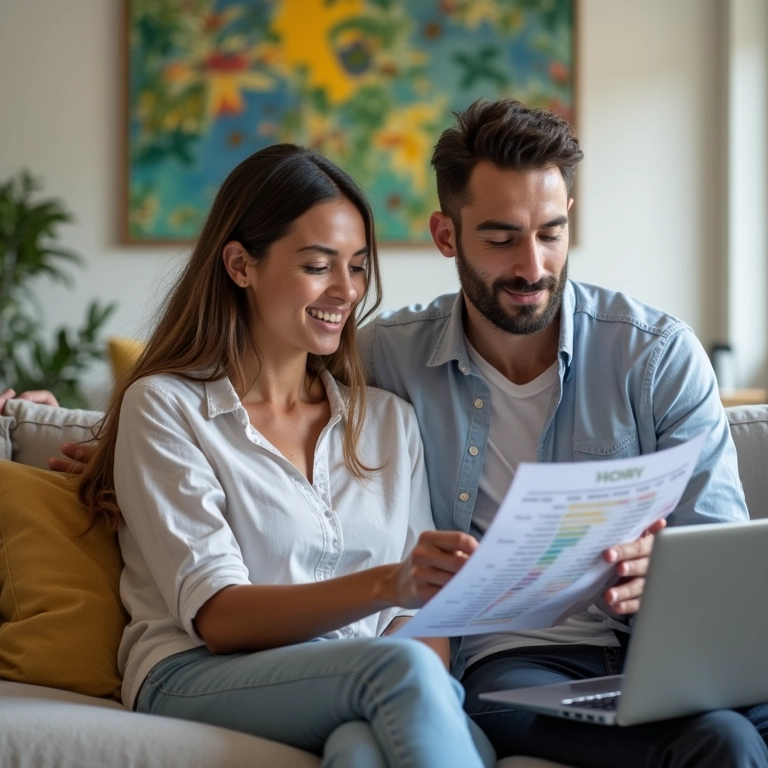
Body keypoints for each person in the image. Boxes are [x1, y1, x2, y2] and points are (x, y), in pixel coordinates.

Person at [358, 99, 768, 767]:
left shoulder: (654, 354)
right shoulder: (385, 359)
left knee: (732, 724)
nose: (531, 267)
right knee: (723, 743)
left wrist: (663, 574)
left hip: (662, 647)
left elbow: (719, 547)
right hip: (517, 662)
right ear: (444, 234)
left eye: (550, 233)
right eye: (500, 238)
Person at [76, 145, 496, 768]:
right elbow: (217, 615)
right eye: (318, 265)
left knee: (360, 751)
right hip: (194, 671)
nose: (346, 290)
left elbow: (418, 618)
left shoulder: (386, 420)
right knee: (397, 671)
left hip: (355, 672)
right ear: (241, 265)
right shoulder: (164, 407)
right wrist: (388, 584)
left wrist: (406, 616)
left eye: (356, 266)